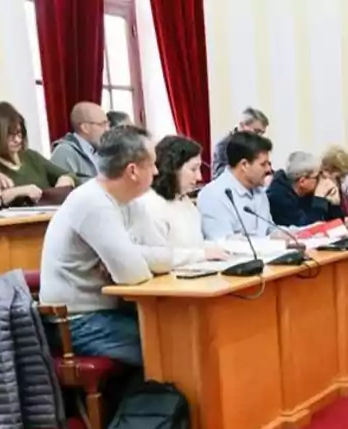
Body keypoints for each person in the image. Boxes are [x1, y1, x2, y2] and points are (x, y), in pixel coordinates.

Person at [38, 127, 226, 366]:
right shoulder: (92, 203)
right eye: (153, 165)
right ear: (133, 170)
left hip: (111, 311)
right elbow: (133, 273)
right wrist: (135, 259)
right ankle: (154, 402)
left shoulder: (129, 201)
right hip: (78, 322)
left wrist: (131, 256)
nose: (158, 171)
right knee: (174, 345)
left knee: (186, 333)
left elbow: (157, 253)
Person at [0, 101, 76, 203]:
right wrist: (20, 191)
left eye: (19, 133)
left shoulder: (31, 156)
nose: (18, 140)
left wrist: (67, 179)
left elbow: (73, 177)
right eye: (10, 135)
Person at [137, 135, 212, 259]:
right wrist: (202, 255)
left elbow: (194, 245)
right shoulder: (150, 204)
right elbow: (158, 258)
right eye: (193, 169)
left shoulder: (184, 201)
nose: (199, 177)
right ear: (173, 168)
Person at [196, 131, 277, 241]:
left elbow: (269, 230)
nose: (268, 169)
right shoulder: (213, 195)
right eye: (263, 164)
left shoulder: (258, 190)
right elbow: (225, 244)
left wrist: (297, 235)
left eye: (269, 164)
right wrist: (270, 242)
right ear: (244, 165)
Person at [267, 151, 344, 227]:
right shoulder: (278, 197)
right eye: (317, 176)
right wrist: (319, 199)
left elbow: (335, 226)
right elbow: (307, 228)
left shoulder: (309, 191)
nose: (322, 179)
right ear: (302, 181)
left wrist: (335, 205)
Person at [50, 102, 109, 181]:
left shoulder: (100, 149)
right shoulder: (65, 152)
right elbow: (64, 189)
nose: (107, 129)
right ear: (85, 127)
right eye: (102, 124)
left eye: (108, 124)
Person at [211, 107, 269, 181]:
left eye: (262, 133)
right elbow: (219, 175)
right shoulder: (223, 145)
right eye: (256, 131)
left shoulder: (256, 145)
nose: (259, 136)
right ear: (242, 125)